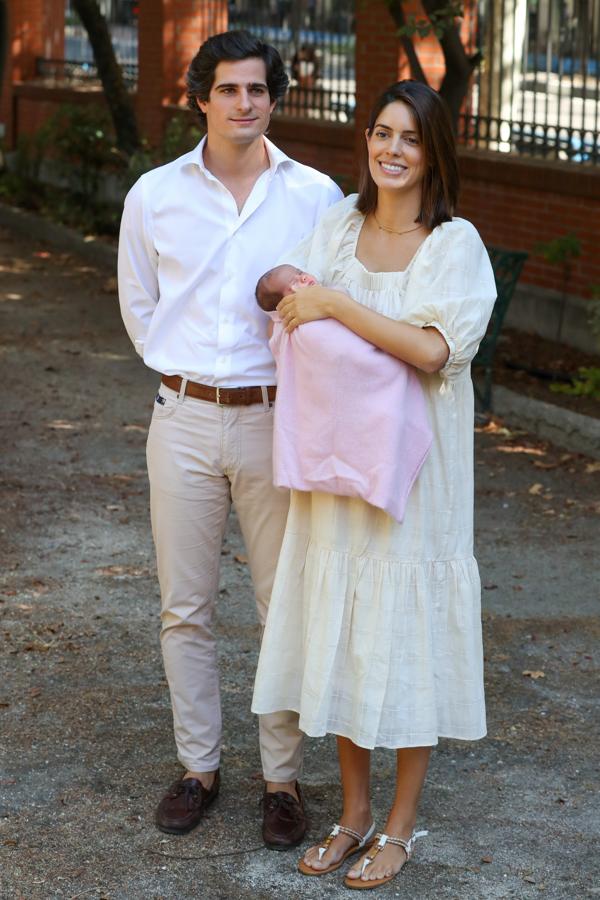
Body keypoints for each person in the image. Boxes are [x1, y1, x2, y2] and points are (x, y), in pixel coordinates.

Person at [252, 80, 497, 888]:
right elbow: (291, 309)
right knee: (344, 634)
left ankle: (400, 826)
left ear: (434, 154)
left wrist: (334, 305)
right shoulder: (334, 228)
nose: (391, 150)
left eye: (410, 139)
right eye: (381, 133)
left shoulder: (454, 245)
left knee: (406, 636)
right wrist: (314, 299)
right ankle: (353, 814)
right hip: (333, 468)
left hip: (417, 481)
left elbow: (431, 351)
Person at [117, 29, 342, 848]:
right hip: (180, 417)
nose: (245, 103)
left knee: (283, 603)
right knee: (186, 606)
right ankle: (199, 769)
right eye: (228, 89)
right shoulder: (154, 195)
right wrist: (185, 375)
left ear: (273, 97)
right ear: (201, 98)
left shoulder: (315, 196)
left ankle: (281, 781)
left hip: (279, 420)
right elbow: (140, 307)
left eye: (258, 89)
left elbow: (333, 304)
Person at [255, 265, 433, 522]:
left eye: (301, 273)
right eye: (294, 283)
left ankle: (381, 480)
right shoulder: (291, 328)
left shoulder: (332, 297)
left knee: (381, 413)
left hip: (364, 379)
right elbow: (331, 351)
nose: (304, 277)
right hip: (344, 386)